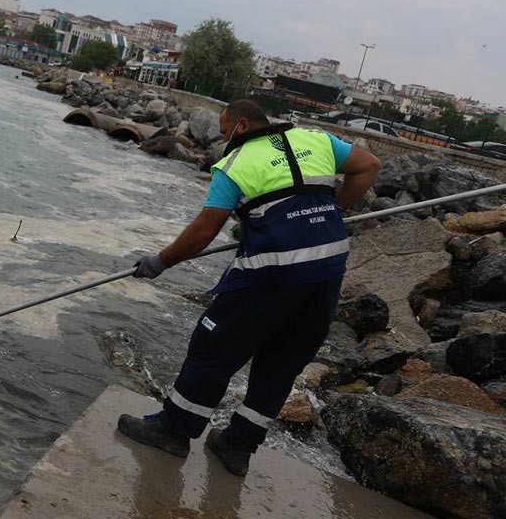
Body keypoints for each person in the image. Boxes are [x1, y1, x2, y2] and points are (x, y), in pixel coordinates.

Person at [119, 100, 381, 476]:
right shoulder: (316, 140)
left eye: (225, 132)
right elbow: (369, 165)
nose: (224, 139)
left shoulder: (236, 163)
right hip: (326, 271)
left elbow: (204, 230)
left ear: (241, 126)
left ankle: (174, 432)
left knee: (213, 348)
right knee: (280, 365)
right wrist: (333, 209)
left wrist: (160, 262)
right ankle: (237, 447)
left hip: (271, 274)